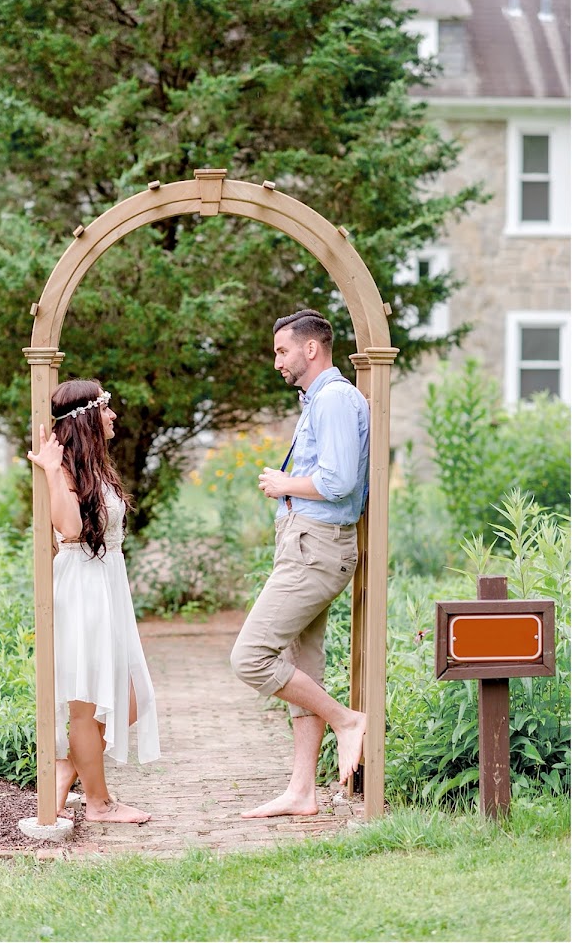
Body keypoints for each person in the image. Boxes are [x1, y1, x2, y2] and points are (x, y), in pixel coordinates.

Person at [230, 309, 369, 818]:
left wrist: (283, 484)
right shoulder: (321, 400)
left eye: (282, 352)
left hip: (317, 549)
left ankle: (346, 721)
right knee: (302, 666)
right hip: (308, 545)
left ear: (311, 349)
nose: (277, 363)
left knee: (250, 656)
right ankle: (302, 791)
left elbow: (338, 481)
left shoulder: (333, 399)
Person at [27, 379, 160, 824]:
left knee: (129, 696)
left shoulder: (94, 467)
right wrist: (50, 470)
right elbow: (68, 529)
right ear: (85, 416)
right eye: (106, 407)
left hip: (106, 585)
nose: (113, 415)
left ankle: (71, 768)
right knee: (88, 699)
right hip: (82, 586)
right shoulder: (62, 467)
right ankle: (99, 802)